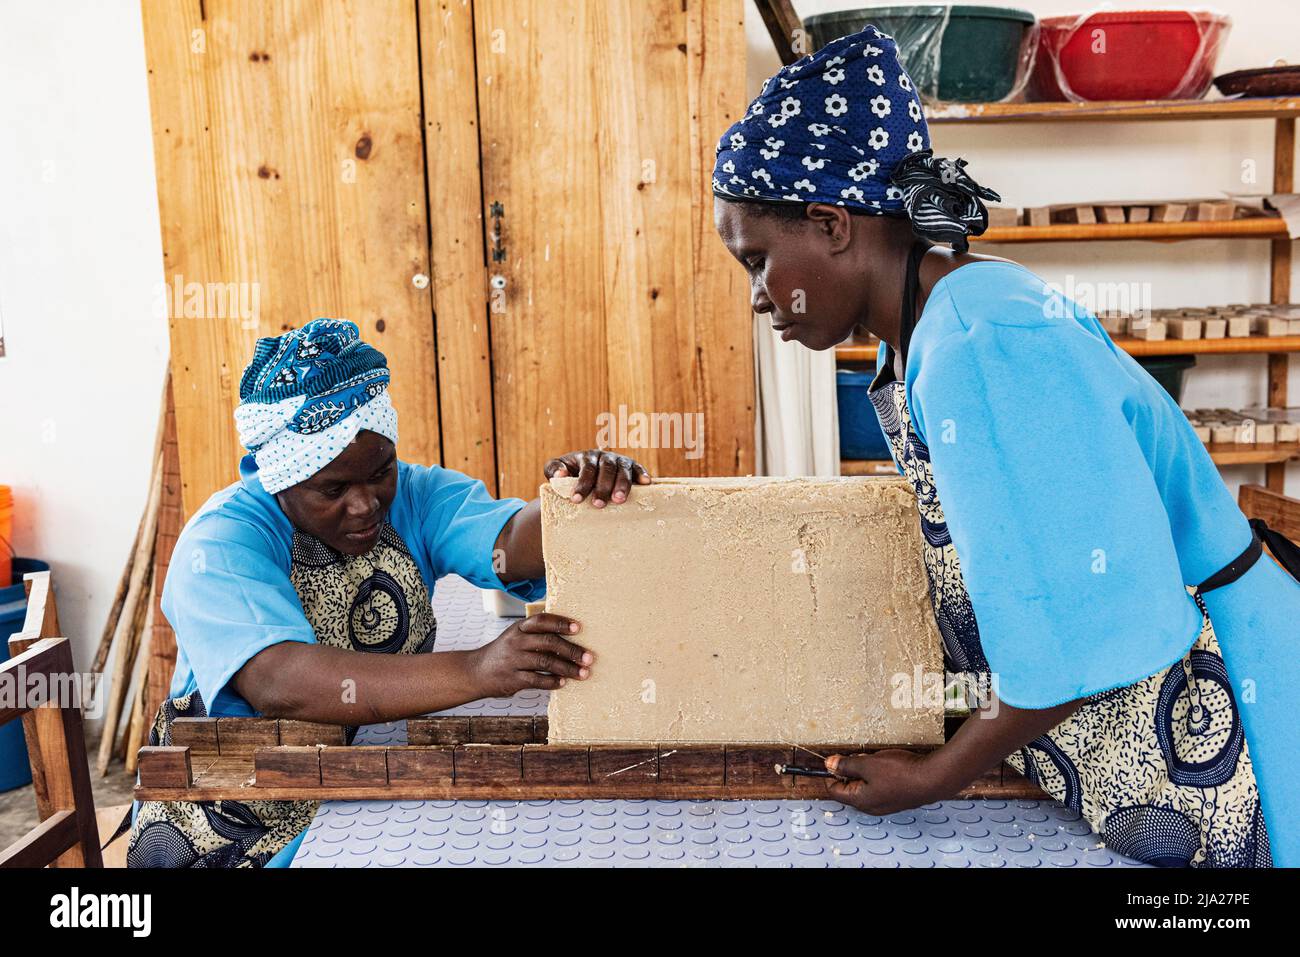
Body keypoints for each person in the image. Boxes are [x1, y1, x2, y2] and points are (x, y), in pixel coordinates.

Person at [712, 25, 1300, 867]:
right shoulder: (923, 332)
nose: (763, 298)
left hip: (1246, 712)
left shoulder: (981, 344)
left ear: (831, 222)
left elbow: (1075, 623)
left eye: (759, 261)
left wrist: (931, 778)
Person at [127, 318, 649, 867]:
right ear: (280, 479)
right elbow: (280, 681)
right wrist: (477, 670)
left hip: (357, 779)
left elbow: (510, 543)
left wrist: (577, 501)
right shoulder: (223, 542)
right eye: (332, 489)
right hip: (233, 807)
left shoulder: (417, 497)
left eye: (379, 473)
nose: (365, 504)